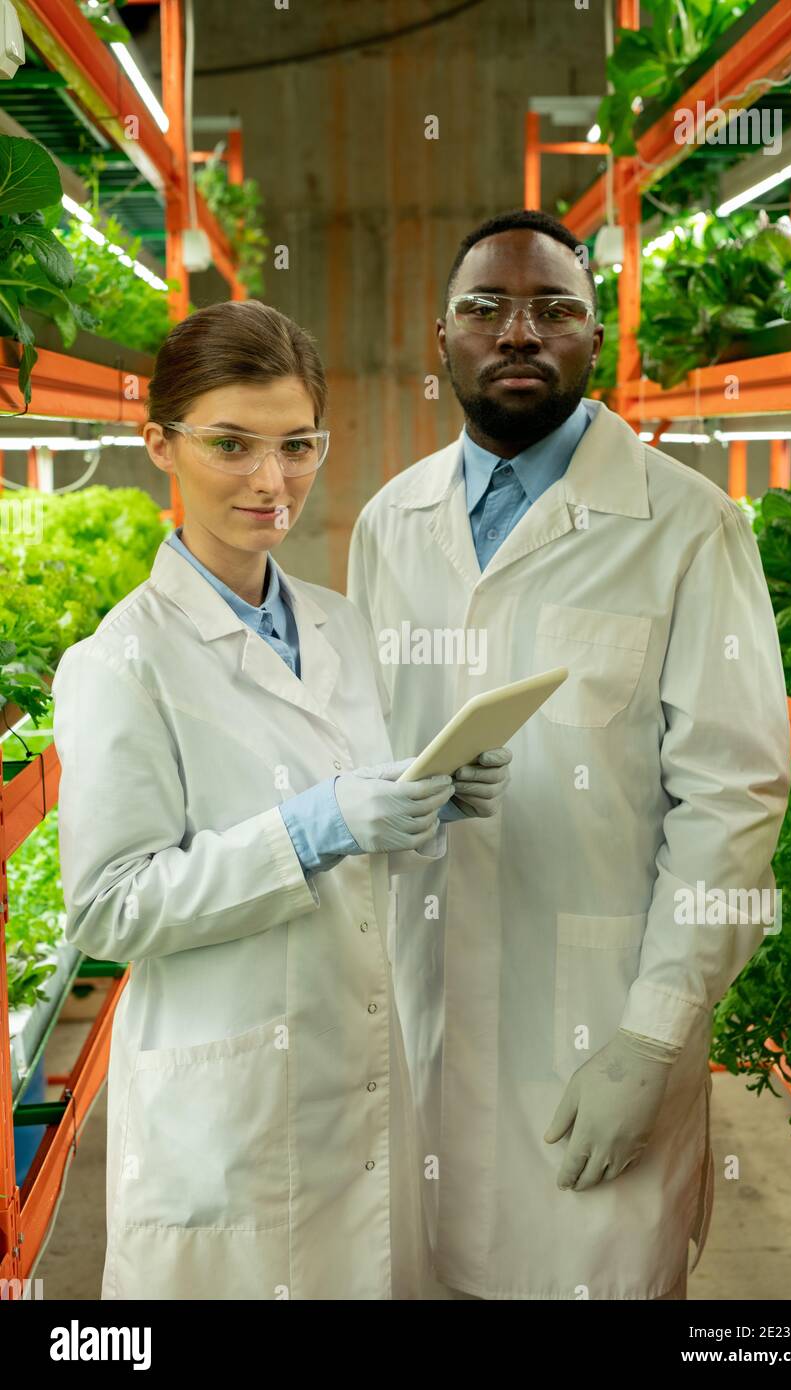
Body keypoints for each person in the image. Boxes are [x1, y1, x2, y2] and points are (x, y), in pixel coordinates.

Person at [347, 209, 791, 1301]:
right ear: (438, 339)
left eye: (554, 309)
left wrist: (650, 1039)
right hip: (418, 1009)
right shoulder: (387, 525)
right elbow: (360, 749)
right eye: (483, 308)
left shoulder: (686, 527)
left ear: (596, 342)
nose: (516, 331)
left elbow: (731, 800)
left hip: (597, 1019)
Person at [51, 299, 510, 1301]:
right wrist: (311, 826)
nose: (271, 481)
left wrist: (432, 799)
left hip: (351, 1081)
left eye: (296, 446)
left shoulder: (341, 625)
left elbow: (359, 837)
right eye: (231, 445)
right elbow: (109, 904)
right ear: (159, 445)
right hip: (225, 1113)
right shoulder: (121, 662)